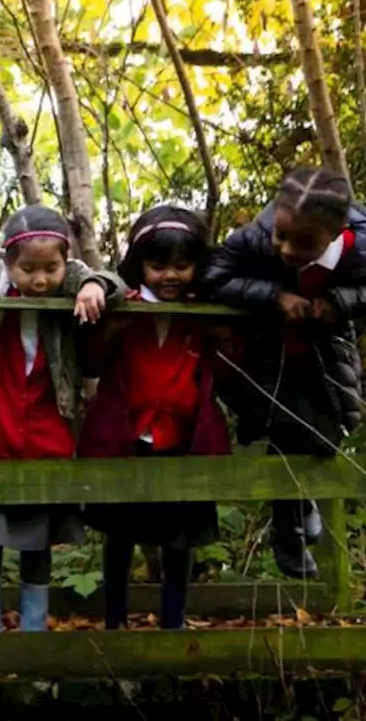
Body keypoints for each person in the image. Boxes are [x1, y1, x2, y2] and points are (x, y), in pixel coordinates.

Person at [0, 205, 126, 632]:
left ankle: (33, 631)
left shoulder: (71, 280)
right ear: (10, 262)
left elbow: (115, 285)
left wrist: (93, 285)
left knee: (38, 538)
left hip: (47, 426)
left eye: (51, 268)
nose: (41, 279)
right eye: (28, 268)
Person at [202, 166, 366, 579]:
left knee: (331, 432)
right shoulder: (254, 238)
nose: (287, 249)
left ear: (334, 232)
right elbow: (212, 277)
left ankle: (302, 503)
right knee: (282, 428)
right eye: (282, 235)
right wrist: (274, 296)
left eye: (304, 242)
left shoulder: (360, 246)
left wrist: (340, 300)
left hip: (324, 351)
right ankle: (288, 531)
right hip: (262, 353)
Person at [78, 206, 230, 630]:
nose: (170, 276)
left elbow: (231, 362)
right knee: (119, 532)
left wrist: (226, 337)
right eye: (157, 265)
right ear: (139, 265)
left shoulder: (207, 312)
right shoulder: (122, 307)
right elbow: (89, 362)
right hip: (126, 437)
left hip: (185, 438)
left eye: (182, 266)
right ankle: (113, 621)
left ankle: (174, 619)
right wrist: (108, 330)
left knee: (180, 534)